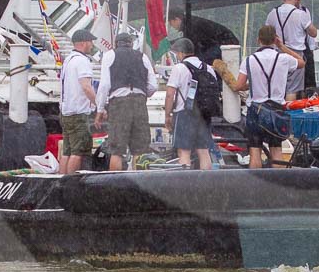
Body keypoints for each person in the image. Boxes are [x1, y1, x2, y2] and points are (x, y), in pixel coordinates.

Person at [234, 24, 298, 170]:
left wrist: (251, 84)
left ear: (258, 40)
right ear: (275, 39)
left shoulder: (249, 60)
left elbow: (238, 86)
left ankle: (256, 188)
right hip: (276, 110)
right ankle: (278, 186)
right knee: (276, 150)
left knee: (255, 151)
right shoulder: (283, 59)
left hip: (256, 110)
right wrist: (282, 47)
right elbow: (301, 62)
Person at [96, 29, 155, 171]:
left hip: (119, 103)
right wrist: (141, 95)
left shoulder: (110, 55)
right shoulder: (143, 57)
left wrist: (100, 109)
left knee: (117, 149)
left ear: (116, 44)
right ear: (131, 44)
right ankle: (139, 187)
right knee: (139, 150)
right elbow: (153, 85)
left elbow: (104, 85)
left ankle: (115, 189)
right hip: (140, 102)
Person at [162, 37, 214, 170]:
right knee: (203, 151)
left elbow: (170, 94)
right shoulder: (208, 68)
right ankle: (206, 185)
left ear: (180, 53)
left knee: (184, 151)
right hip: (204, 114)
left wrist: (168, 115)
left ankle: (186, 186)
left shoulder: (179, 68)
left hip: (185, 113)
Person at [266, 0, 319, 95]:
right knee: (293, 89)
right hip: (296, 53)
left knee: (280, 86)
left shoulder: (273, 13)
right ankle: (291, 110)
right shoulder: (300, 14)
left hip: (278, 53)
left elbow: (267, 31)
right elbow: (313, 33)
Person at [59, 29, 100, 175]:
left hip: (66, 111)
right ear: (83, 43)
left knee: (67, 151)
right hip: (78, 112)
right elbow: (86, 87)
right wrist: (99, 105)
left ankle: (60, 180)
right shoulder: (82, 61)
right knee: (78, 152)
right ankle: (71, 182)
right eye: (90, 42)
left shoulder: (68, 60)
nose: (92, 45)